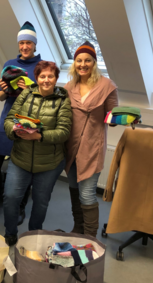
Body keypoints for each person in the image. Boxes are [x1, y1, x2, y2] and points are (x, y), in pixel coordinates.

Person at [0, 21, 42, 224]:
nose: (25, 47)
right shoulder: (9, 64)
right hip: (7, 120)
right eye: (22, 43)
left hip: (27, 121)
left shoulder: (42, 67)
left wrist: (27, 90)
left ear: (34, 45)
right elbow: (0, 97)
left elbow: (44, 100)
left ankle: (20, 206)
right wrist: (5, 89)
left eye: (28, 43)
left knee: (25, 166)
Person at [3, 61, 72, 246]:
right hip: (20, 158)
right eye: (42, 76)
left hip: (49, 163)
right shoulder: (26, 93)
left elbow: (64, 132)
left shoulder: (63, 100)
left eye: (50, 76)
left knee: (41, 203)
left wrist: (39, 137)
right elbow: (9, 119)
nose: (46, 80)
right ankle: (10, 232)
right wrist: (14, 131)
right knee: (10, 198)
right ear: (37, 78)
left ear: (56, 79)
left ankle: (33, 236)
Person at [64, 41, 118, 237]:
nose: (83, 64)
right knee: (73, 190)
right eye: (79, 60)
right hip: (70, 147)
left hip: (92, 147)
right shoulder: (70, 86)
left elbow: (112, 117)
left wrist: (121, 118)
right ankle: (77, 228)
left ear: (94, 63)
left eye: (87, 60)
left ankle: (89, 236)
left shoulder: (107, 86)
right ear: (74, 63)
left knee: (86, 194)